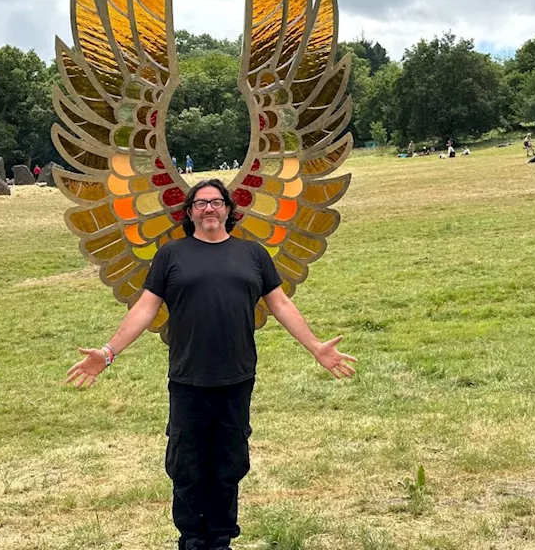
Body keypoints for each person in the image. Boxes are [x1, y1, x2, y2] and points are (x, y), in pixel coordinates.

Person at [66, 178, 356, 549]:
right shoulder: (172, 255)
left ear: (229, 210)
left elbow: (280, 304)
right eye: (200, 204)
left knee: (228, 464)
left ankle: (220, 539)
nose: (208, 209)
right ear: (189, 213)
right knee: (187, 465)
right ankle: (191, 539)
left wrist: (316, 347)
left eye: (216, 202)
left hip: (236, 377)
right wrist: (107, 353)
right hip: (188, 379)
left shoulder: (253, 254)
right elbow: (145, 308)